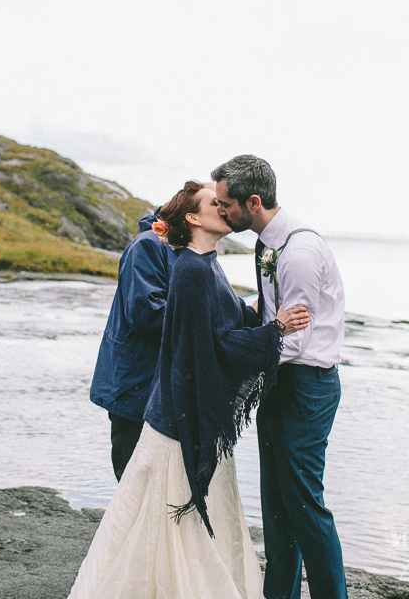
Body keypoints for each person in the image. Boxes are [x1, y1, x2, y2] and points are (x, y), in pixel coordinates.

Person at [69, 181, 309, 599]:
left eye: (223, 201)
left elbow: (215, 317)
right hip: (140, 391)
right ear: (191, 217)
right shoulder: (155, 251)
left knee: (159, 501)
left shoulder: (201, 261)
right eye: (214, 202)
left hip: (178, 395)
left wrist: (252, 311)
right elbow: (156, 317)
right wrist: (262, 331)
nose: (223, 207)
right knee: (148, 497)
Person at [212, 155, 347, 599]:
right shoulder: (268, 243)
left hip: (305, 386)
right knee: (276, 510)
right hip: (279, 381)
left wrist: (233, 360)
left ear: (253, 202)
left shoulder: (300, 251)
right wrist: (241, 309)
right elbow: (274, 310)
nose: (220, 210)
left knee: (305, 508)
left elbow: (299, 341)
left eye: (226, 203)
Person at [90, 207, 179, 481]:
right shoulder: (149, 245)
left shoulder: (176, 248)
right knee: (135, 481)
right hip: (136, 385)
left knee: (155, 482)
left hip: (152, 385)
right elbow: (147, 314)